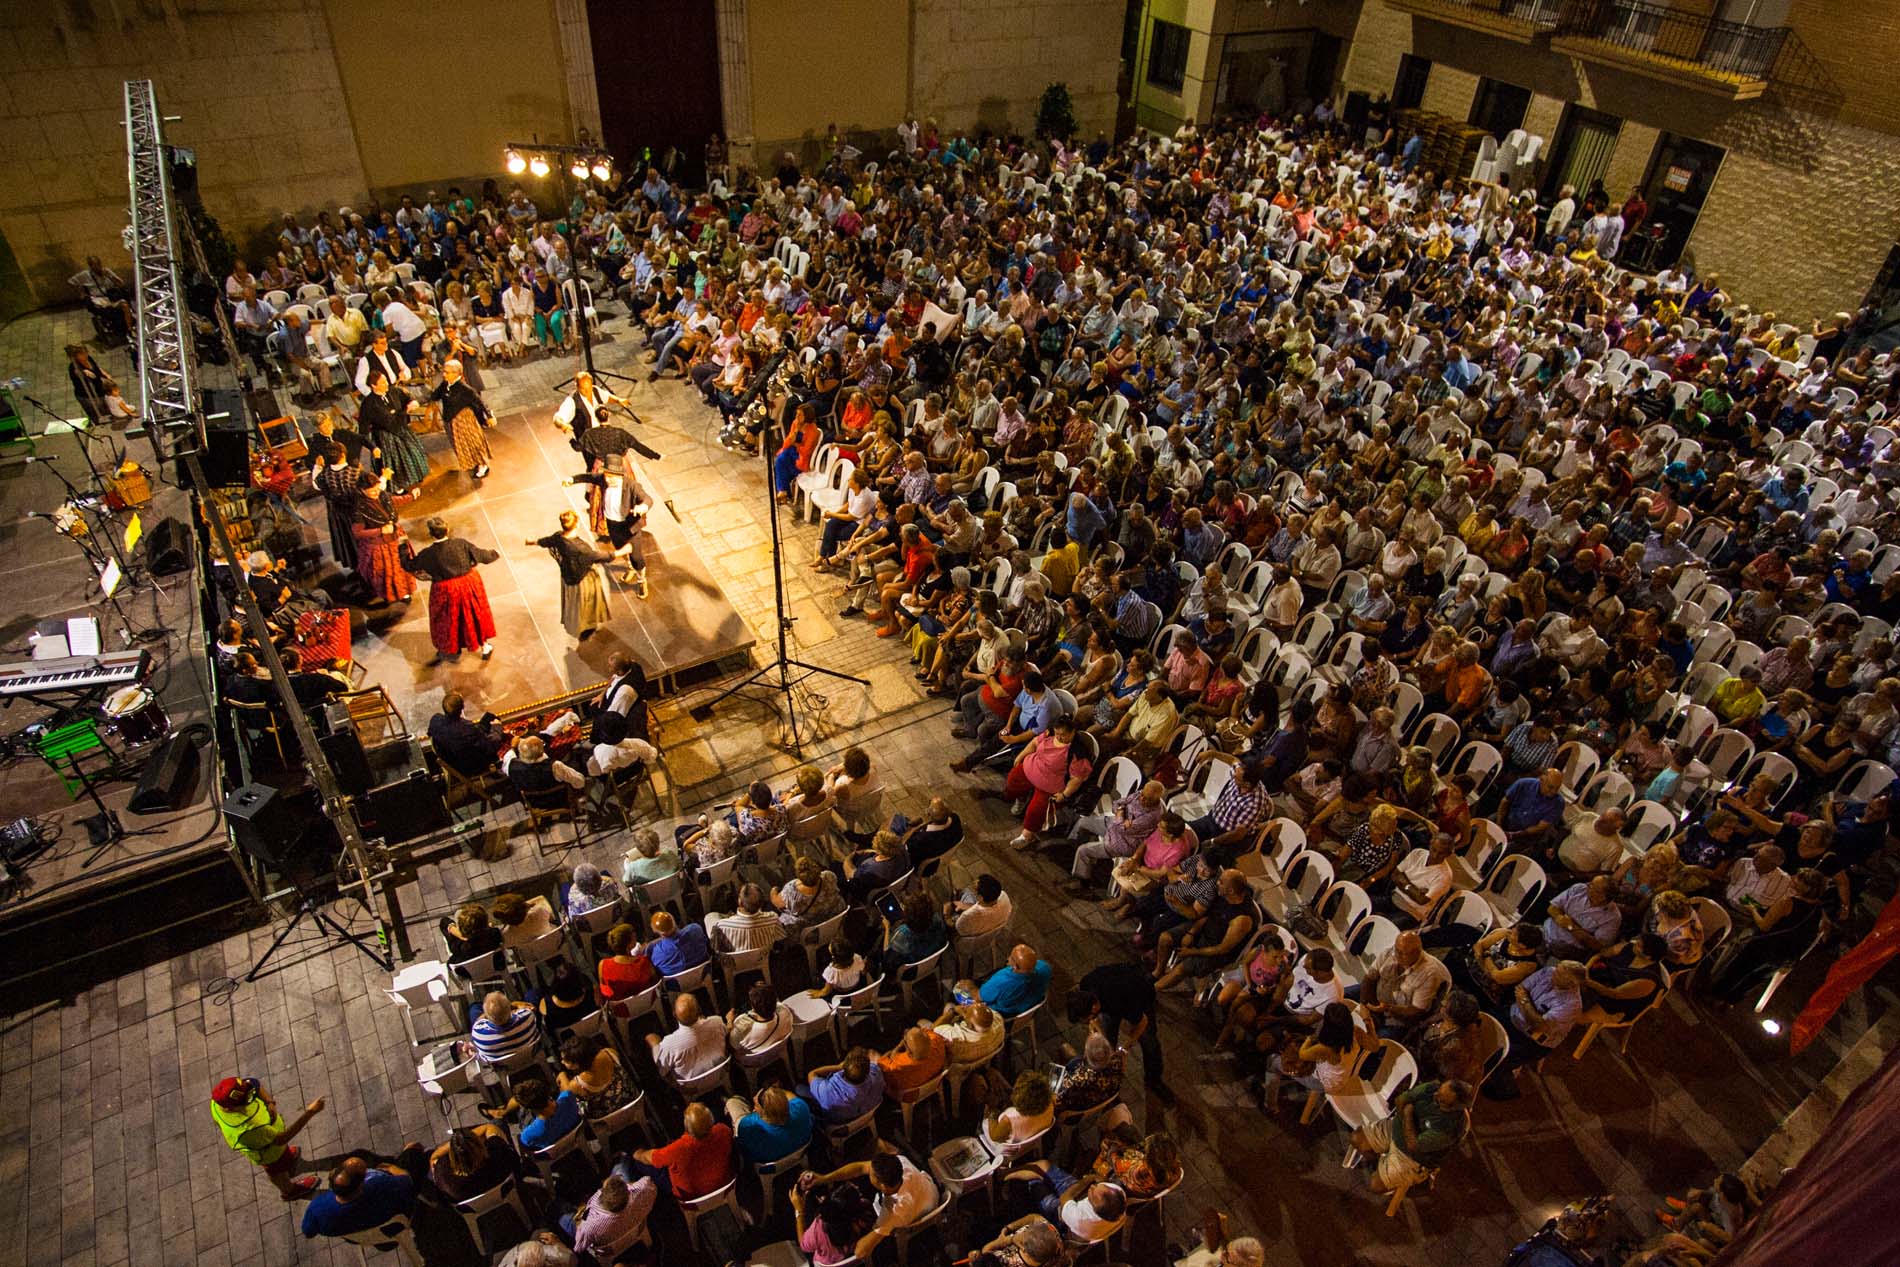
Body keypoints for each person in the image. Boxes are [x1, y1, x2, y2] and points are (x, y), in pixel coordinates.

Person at [802, 1148, 941, 1262]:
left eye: (871, 1174)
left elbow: (860, 1251)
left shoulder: (893, 1213)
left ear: (882, 1186)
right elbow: (861, 1167)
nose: (867, 1171)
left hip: (920, 1213)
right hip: (931, 1194)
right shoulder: (901, 1163)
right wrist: (824, 1179)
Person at [401, 516, 499, 661]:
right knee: (473, 615)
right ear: (447, 530)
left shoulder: (427, 554)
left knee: (448, 619)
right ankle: (484, 646)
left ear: (431, 534)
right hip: (468, 584)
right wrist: (494, 553)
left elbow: (409, 565)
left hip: (445, 590)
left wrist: (402, 547)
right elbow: (482, 556)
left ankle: (451, 648)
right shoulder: (461, 544)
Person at [209, 1077, 324, 1200]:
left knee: (283, 1158)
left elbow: (254, 1085)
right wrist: (310, 1112)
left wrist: (269, 1102)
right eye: (248, 1099)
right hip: (269, 1152)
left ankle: (287, 1158)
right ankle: (289, 1191)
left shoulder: (218, 1102)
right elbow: (282, 1139)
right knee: (275, 1170)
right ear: (231, 1108)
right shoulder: (249, 1128)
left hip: (270, 1139)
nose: (252, 1097)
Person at [1348, 1079, 1471, 1194]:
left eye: (1441, 1100)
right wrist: (1408, 1125)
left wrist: (1407, 1114)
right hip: (1396, 1127)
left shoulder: (1449, 1130)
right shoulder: (1433, 1087)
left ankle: (1412, 1180)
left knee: (1374, 1185)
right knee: (1357, 1139)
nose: (1435, 1096)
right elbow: (1400, 1100)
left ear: (1454, 1108)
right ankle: (1384, 1163)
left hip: (1412, 1157)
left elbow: (1413, 1145)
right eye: (1439, 1091)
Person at [531, 509, 613, 642]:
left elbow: (546, 541)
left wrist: (532, 542)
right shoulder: (580, 548)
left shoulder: (559, 537)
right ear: (576, 524)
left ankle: (581, 624)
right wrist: (624, 550)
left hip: (568, 576)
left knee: (575, 603)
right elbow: (599, 556)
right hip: (583, 580)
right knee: (588, 603)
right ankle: (587, 627)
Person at [301, 1153, 420, 1242]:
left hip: (359, 1238)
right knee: (412, 1153)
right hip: (393, 1226)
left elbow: (308, 1232)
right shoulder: (380, 1185)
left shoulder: (317, 1208)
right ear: (361, 1184)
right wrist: (390, 1168)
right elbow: (407, 1181)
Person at [629, 1101, 734, 1199]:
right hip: (724, 1185)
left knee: (641, 1164)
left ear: (687, 1127)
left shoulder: (678, 1149)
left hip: (690, 1198)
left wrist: (638, 1153)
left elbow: (649, 1158)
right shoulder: (723, 1131)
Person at [563, 1170, 658, 1262]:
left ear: (602, 1195)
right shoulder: (644, 1190)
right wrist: (629, 1185)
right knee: (621, 1166)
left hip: (610, 1252)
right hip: (636, 1231)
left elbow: (579, 1247)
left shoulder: (589, 1227)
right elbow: (647, 1181)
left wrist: (578, 1223)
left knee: (561, 1212)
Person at [428, 356, 493, 479]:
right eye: (444, 371)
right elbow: (435, 395)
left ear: (456, 373)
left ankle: (482, 465)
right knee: (461, 444)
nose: (444, 374)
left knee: (473, 442)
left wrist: (489, 416)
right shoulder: (446, 384)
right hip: (451, 419)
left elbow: (480, 402)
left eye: (447, 372)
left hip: (465, 420)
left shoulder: (464, 388)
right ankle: (473, 462)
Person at [646, 993, 727, 1083]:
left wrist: (654, 1043)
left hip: (692, 1088)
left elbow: (663, 1069)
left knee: (652, 1038)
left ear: (674, 1014)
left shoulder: (669, 1044)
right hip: (720, 1074)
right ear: (699, 1010)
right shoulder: (717, 1022)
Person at [726, 1084, 815, 1165]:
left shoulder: (749, 1125)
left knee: (733, 1102)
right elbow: (790, 1096)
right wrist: (774, 1093)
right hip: (799, 1151)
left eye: (756, 1105)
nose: (754, 1099)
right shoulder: (801, 1108)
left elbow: (742, 1143)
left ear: (761, 1112)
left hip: (768, 1166)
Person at [802, 1046, 887, 1123]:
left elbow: (812, 1074)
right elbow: (874, 1061)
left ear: (844, 1068)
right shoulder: (877, 1075)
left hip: (838, 1122)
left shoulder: (828, 1092)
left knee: (798, 1089)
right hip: (865, 1114)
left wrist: (838, 1067)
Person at [981, 944, 1054, 1018]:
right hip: (1026, 1012)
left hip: (1000, 1015)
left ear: (1015, 967)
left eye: (1011, 958)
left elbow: (980, 997)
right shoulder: (1045, 967)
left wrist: (970, 986)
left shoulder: (1002, 982)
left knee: (970, 987)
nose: (1008, 958)